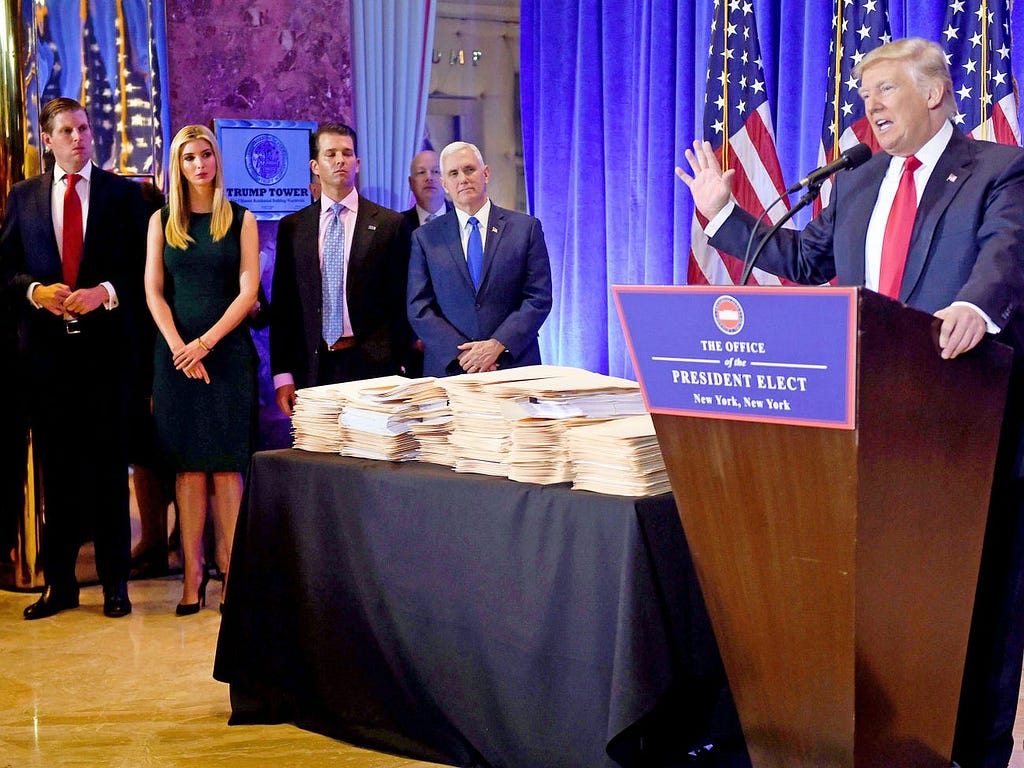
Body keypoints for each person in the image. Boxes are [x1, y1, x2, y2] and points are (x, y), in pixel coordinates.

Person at [676, 37, 1024, 768]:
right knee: (885, 610)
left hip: (966, 437)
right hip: (866, 434)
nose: (869, 106)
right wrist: (723, 215)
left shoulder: (1000, 167)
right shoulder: (859, 183)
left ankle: (977, 754)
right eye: (864, 95)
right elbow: (807, 261)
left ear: (933, 94)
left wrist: (974, 306)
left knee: (980, 615)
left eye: (886, 91)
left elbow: (1007, 252)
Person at [0, 97, 149, 619]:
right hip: (45, 362)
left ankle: (115, 586)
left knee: (109, 472)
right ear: (48, 139)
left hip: (106, 358)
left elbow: (144, 271)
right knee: (57, 476)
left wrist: (103, 290)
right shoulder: (23, 198)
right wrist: (35, 291)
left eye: (84, 128)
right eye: (66, 130)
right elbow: (5, 271)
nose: (78, 138)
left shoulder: (125, 196)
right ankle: (58, 586)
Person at [145, 124, 259, 615]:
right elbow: (152, 289)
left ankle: (232, 572)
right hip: (175, 360)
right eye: (189, 157)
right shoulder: (160, 220)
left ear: (217, 160)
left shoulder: (240, 218)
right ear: (179, 165)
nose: (199, 164)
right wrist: (179, 349)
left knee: (227, 470)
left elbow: (248, 289)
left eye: (206, 155)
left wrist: (206, 343)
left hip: (226, 355)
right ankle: (192, 575)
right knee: (189, 470)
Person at [270, 123, 412, 417]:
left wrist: (401, 362)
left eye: (347, 153)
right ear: (315, 165)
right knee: (319, 459)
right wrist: (283, 376)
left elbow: (401, 301)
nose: (339, 160)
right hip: (313, 366)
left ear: (357, 163)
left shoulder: (389, 225)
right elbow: (285, 307)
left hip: (374, 367)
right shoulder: (293, 228)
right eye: (330, 153)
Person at [407, 140, 553, 378]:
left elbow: (538, 298)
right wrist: (465, 356)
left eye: (469, 169)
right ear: (445, 184)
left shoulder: (525, 229)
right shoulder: (425, 238)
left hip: (513, 365)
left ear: (485, 173)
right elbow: (419, 308)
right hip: (451, 370)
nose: (462, 179)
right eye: (453, 173)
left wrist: (497, 344)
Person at [401, 149, 453, 377]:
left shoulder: (466, 223)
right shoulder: (395, 227)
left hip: (463, 341)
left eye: (435, 171)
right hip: (412, 347)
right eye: (421, 173)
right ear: (411, 183)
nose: (429, 177)